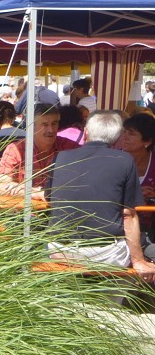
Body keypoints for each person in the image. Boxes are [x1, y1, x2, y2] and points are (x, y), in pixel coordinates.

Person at [46, 111, 155, 276]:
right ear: (116, 136)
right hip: (107, 253)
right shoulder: (124, 160)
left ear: (86, 132)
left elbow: (49, 197)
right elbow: (128, 215)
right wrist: (138, 261)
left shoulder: (60, 157)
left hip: (61, 250)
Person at [0, 102, 78, 199]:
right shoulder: (15, 149)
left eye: (54, 124)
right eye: (45, 125)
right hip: (25, 212)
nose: (51, 130)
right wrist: (37, 194)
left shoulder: (70, 147)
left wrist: (30, 190)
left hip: (59, 211)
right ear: (32, 127)